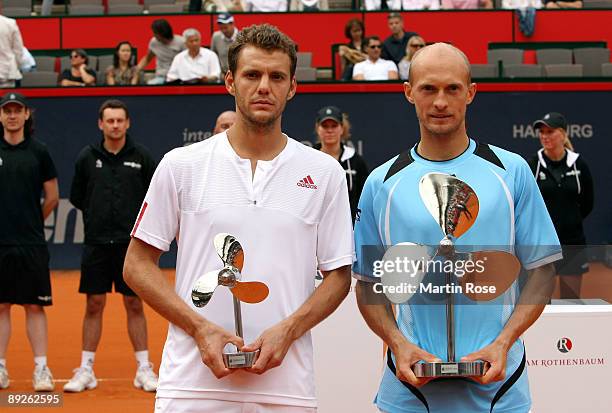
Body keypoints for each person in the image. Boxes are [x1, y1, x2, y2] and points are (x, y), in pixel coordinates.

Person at [123, 24, 353, 413]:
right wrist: (200, 329)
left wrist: (288, 330)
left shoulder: (325, 172)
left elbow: (339, 275)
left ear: (292, 87)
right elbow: (136, 264)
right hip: (191, 387)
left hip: (287, 390)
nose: (264, 86)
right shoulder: (181, 165)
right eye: (252, 75)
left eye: (276, 76)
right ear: (230, 81)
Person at [353, 43, 561, 412]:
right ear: (408, 92)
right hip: (410, 388)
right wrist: (398, 344)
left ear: (471, 92)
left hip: (499, 386)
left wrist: (504, 342)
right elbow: (369, 285)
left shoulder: (511, 172)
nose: (440, 102)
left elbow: (542, 270)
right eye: (428, 89)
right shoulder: (381, 183)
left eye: (452, 89)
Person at [64, 100, 158, 393]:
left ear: (127, 123)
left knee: (134, 303)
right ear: (100, 124)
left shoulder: (141, 156)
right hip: (96, 244)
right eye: (110, 120)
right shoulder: (86, 157)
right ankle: (86, 369)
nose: (115, 125)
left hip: (131, 247)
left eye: (120, 120)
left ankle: (144, 369)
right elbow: (78, 197)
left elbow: (152, 198)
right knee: (94, 304)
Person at [0, 92, 59, 391]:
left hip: (31, 243)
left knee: (35, 307)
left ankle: (41, 369)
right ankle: (0, 368)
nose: (12, 115)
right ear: (1, 116)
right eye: (6, 110)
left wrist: (31, 219)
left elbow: (51, 196)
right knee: (1, 306)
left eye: (17, 110)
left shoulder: (39, 151)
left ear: (26, 115)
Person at [528, 112, 594, 299]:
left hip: (572, 244)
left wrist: (569, 222)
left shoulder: (579, 165)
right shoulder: (533, 165)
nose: (544, 136)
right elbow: (527, 204)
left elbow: (588, 203)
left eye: (550, 131)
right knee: (540, 305)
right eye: (542, 132)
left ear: (563, 134)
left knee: (571, 301)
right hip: (542, 244)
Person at [313, 106, 368, 223]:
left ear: (342, 128)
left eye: (334, 126)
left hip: (348, 227)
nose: (329, 130)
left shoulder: (355, 161)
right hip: (316, 227)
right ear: (318, 128)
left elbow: (364, 200)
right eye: (325, 126)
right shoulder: (309, 159)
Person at [136, 19, 186, 85]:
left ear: (162, 33)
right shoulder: (154, 42)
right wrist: (137, 69)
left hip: (178, 77)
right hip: (161, 77)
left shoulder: (181, 42)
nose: (154, 35)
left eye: (155, 33)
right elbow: (147, 58)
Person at [0, 12, 24, 88]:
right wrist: (15, 67)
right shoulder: (10, 23)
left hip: (7, 75)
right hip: (7, 73)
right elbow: (18, 51)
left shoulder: (10, 23)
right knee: (7, 99)